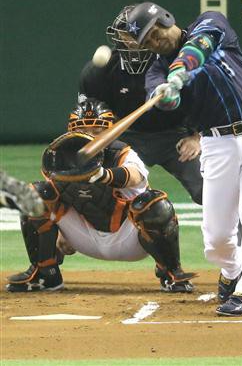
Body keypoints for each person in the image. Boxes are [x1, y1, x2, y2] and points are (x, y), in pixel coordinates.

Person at [122, 2, 242, 316]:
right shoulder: (156, 72)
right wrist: (166, 96)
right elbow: (161, 99)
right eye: (147, 41)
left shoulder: (211, 22)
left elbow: (199, 46)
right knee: (216, 239)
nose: (155, 41)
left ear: (167, 18)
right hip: (217, 143)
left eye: (155, 32)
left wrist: (180, 71)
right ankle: (231, 271)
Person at [6, 99, 196, 293]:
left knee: (155, 204)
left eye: (98, 131)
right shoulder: (60, 157)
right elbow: (54, 200)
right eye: (84, 129)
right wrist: (61, 235)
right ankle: (45, 275)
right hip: (84, 237)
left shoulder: (122, 153)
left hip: (130, 241)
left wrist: (105, 175)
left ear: (111, 131)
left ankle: (171, 273)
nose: (91, 136)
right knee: (33, 195)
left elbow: (135, 175)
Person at [77, 5, 203, 205]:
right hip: (125, 136)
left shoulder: (174, 63)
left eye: (134, 34)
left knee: (208, 187)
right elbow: (89, 118)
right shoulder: (98, 73)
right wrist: (101, 140)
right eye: (124, 35)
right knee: (95, 190)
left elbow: (203, 102)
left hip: (175, 136)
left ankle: (239, 234)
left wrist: (197, 137)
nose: (130, 41)